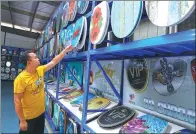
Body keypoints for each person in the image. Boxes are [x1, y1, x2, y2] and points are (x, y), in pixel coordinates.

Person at [13, 45, 73, 134]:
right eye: (35, 58)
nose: (38, 59)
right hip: (28, 118)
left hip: (41, 114)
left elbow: (53, 62)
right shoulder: (21, 79)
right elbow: (17, 101)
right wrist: (22, 120)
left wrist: (64, 51)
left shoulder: (40, 70)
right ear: (29, 62)